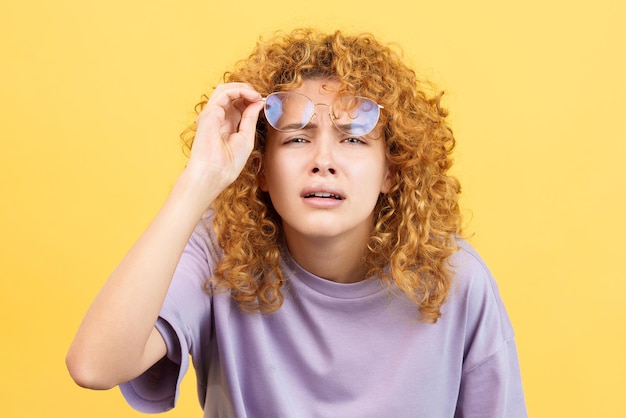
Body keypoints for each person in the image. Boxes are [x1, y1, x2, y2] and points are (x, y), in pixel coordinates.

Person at [66, 28, 527, 417]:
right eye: (296, 139)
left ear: (392, 170)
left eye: (353, 139)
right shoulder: (221, 257)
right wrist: (197, 183)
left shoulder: (456, 280)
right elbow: (95, 367)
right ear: (261, 168)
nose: (323, 161)